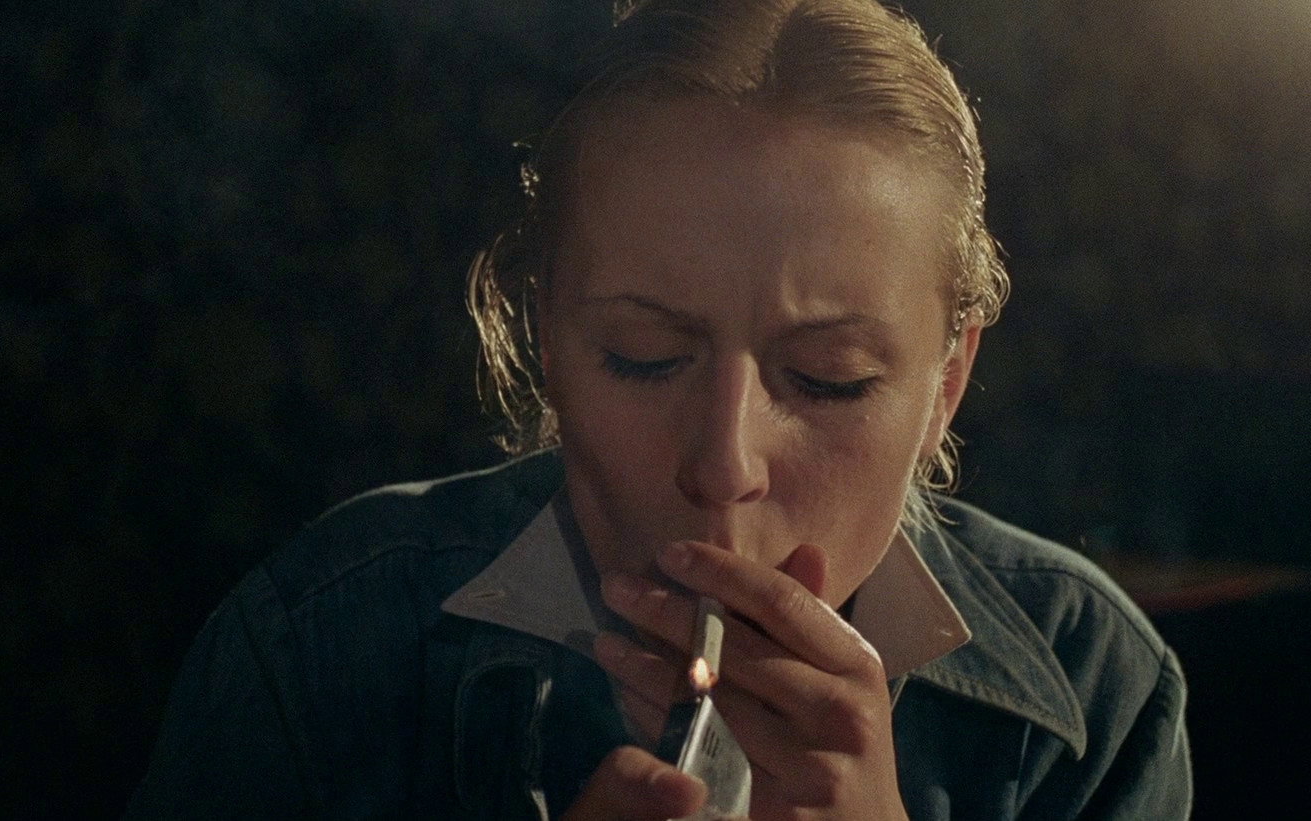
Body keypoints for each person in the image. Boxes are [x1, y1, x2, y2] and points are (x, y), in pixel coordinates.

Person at [128, 0, 1191, 818]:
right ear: (545, 339)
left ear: (946, 381)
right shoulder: (317, 644)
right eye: (643, 357)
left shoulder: (1094, 685)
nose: (724, 464)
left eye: (828, 378)